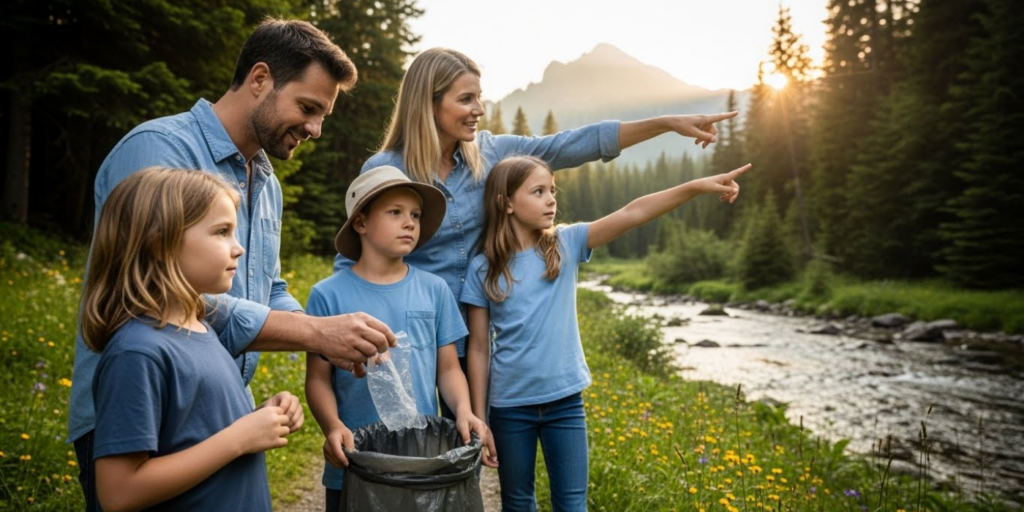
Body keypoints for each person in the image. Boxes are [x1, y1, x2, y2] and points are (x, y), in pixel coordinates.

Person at [69, 18, 396, 511]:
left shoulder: (268, 183)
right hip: (146, 416)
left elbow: (270, 286)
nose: (316, 129)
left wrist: (326, 335)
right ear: (260, 79)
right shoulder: (160, 149)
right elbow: (157, 293)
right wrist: (312, 335)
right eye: (308, 108)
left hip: (216, 411)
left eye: (323, 115)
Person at [342, 47, 737, 420]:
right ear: (428, 102)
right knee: (401, 452)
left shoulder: (492, 152)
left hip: (474, 340)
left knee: (463, 455)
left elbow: (570, 146)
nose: (479, 110)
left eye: (479, 97)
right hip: (408, 339)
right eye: (466, 99)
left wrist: (666, 124)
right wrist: (344, 330)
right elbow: (354, 259)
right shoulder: (386, 168)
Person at [461, 156, 752, 511]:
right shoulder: (484, 267)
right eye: (538, 192)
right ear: (505, 202)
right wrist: (480, 417)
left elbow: (633, 212)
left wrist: (694, 187)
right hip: (509, 407)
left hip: (565, 403)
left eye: (552, 190)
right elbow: (478, 348)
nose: (551, 199)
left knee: (572, 504)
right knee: (517, 502)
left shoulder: (565, 245)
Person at [82, 168, 302, 511]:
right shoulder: (139, 351)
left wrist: (260, 419)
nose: (239, 248)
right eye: (221, 232)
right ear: (160, 243)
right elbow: (118, 492)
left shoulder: (200, 329)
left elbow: (197, 436)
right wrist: (240, 438)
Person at [307, 166, 498, 511]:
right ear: (361, 223)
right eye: (395, 212)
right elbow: (318, 379)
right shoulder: (327, 296)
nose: (409, 222)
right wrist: (332, 426)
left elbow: (449, 369)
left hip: (422, 466)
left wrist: (465, 411)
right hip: (354, 465)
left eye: (415, 214)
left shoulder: (434, 290)